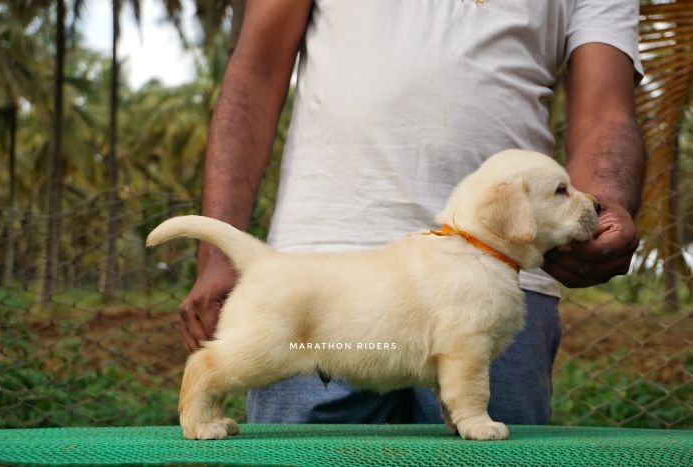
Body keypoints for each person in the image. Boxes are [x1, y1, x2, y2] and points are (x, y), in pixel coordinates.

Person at [178, 0, 645, 425]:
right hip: (319, 274)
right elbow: (256, 70)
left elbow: (605, 108)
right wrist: (219, 251)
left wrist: (604, 206)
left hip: (511, 267)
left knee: (484, 441)